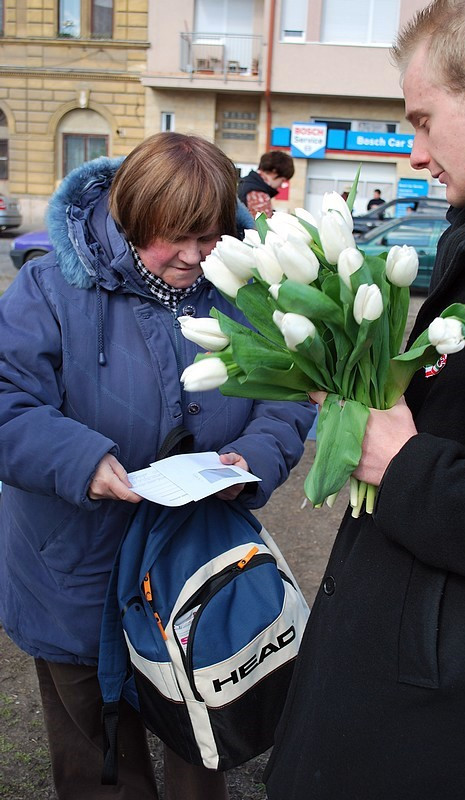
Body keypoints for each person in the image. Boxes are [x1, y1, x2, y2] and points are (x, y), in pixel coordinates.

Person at [264, 1, 465, 798]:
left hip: (461, 721)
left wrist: (403, 462)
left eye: (422, 120)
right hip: (418, 682)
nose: (414, 153)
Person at [0, 131, 315, 800]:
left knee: (199, 740)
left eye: (208, 237)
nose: (195, 257)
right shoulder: (51, 288)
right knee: (98, 758)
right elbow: (7, 402)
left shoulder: (247, 287)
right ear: (130, 216)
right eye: (176, 238)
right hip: (73, 569)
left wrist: (253, 457)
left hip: (193, 568)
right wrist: (80, 459)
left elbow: (290, 398)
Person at [237, 150, 294, 218]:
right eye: (282, 180)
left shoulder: (246, 183)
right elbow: (262, 225)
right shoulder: (258, 193)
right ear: (274, 172)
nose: (281, 185)